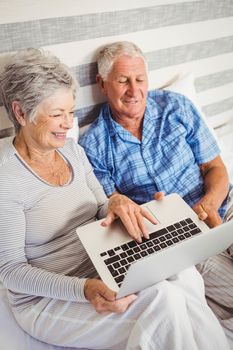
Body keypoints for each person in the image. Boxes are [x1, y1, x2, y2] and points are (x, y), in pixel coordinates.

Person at [0, 48, 230, 350]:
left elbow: (99, 204)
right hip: (49, 296)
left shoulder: (72, 152)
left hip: (100, 266)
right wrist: (84, 289)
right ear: (20, 113)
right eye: (57, 115)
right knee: (163, 302)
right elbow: (11, 271)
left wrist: (116, 203)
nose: (69, 124)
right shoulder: (7, 178)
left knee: (183, 274)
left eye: (71, 112)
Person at [79, 41, 233, 338]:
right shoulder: (94, 145)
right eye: (123, 80)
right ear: (102, 84)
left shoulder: (176, 107)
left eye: (140, 79)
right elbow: (111, 206)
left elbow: (216, 168)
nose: (133, 91)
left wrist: (210, 205)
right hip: (179, 234)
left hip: (219, 204)